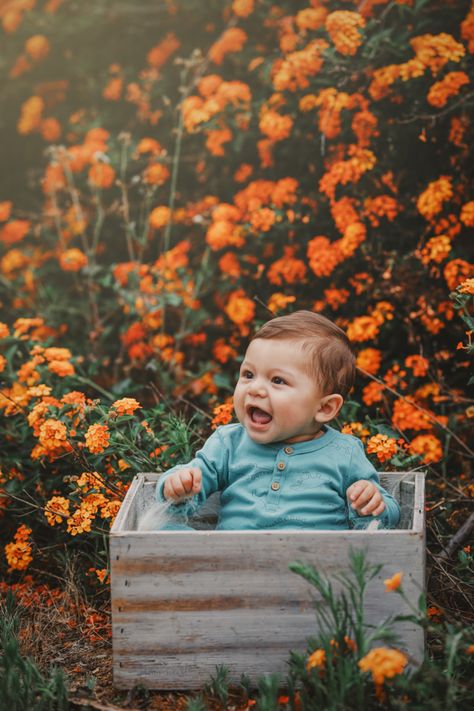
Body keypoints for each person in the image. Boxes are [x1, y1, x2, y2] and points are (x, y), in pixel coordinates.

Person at [155, 310, 400, 530]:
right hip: (231, 562)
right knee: (165, 533)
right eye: (248, 374)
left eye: (278, 381)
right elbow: (195, 478)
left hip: (316, 567)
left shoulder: (344, 453)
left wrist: (370, 504)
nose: (256, 389)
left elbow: (389, 516)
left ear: (325, 408)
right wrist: (179, 486)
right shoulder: (228, 443)